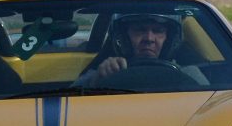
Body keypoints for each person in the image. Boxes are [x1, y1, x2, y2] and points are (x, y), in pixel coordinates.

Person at [74, 12, 209, 87]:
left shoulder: (190, 74)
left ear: (169, 39)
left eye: (158, 31)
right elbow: (69, 103)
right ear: (123, 36)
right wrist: (96, 79)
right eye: (140, 30)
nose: (149, 38)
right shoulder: (105, 71)